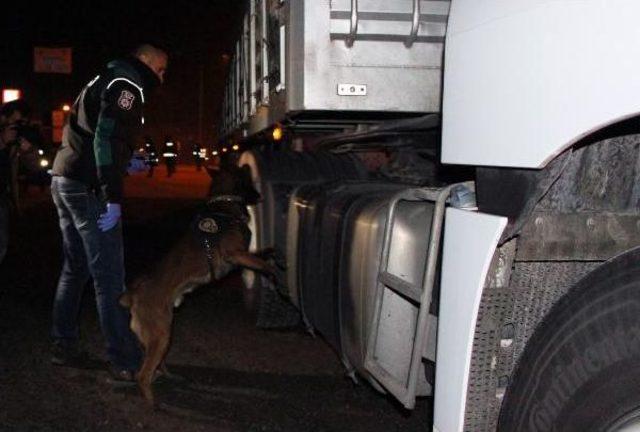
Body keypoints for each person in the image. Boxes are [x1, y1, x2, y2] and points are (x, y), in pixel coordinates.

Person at [49, 43, 168, 382]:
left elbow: (92, 133)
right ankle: (127, 360)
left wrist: (125, 162)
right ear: (144, 59)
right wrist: (112, 195)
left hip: (65, 178)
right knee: (110, 277)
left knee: (76, 267)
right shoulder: (127, 86)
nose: (162, 76)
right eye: (160, 68)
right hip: (88, 188)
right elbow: (104, 138)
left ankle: (63, 343)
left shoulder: (106, 77)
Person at [0, 100, 36, 264]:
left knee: (2, 245)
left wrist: (28, 151)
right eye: (14, 122)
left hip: (3, 199)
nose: (16, 127)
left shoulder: (14, 143)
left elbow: (33, 167)